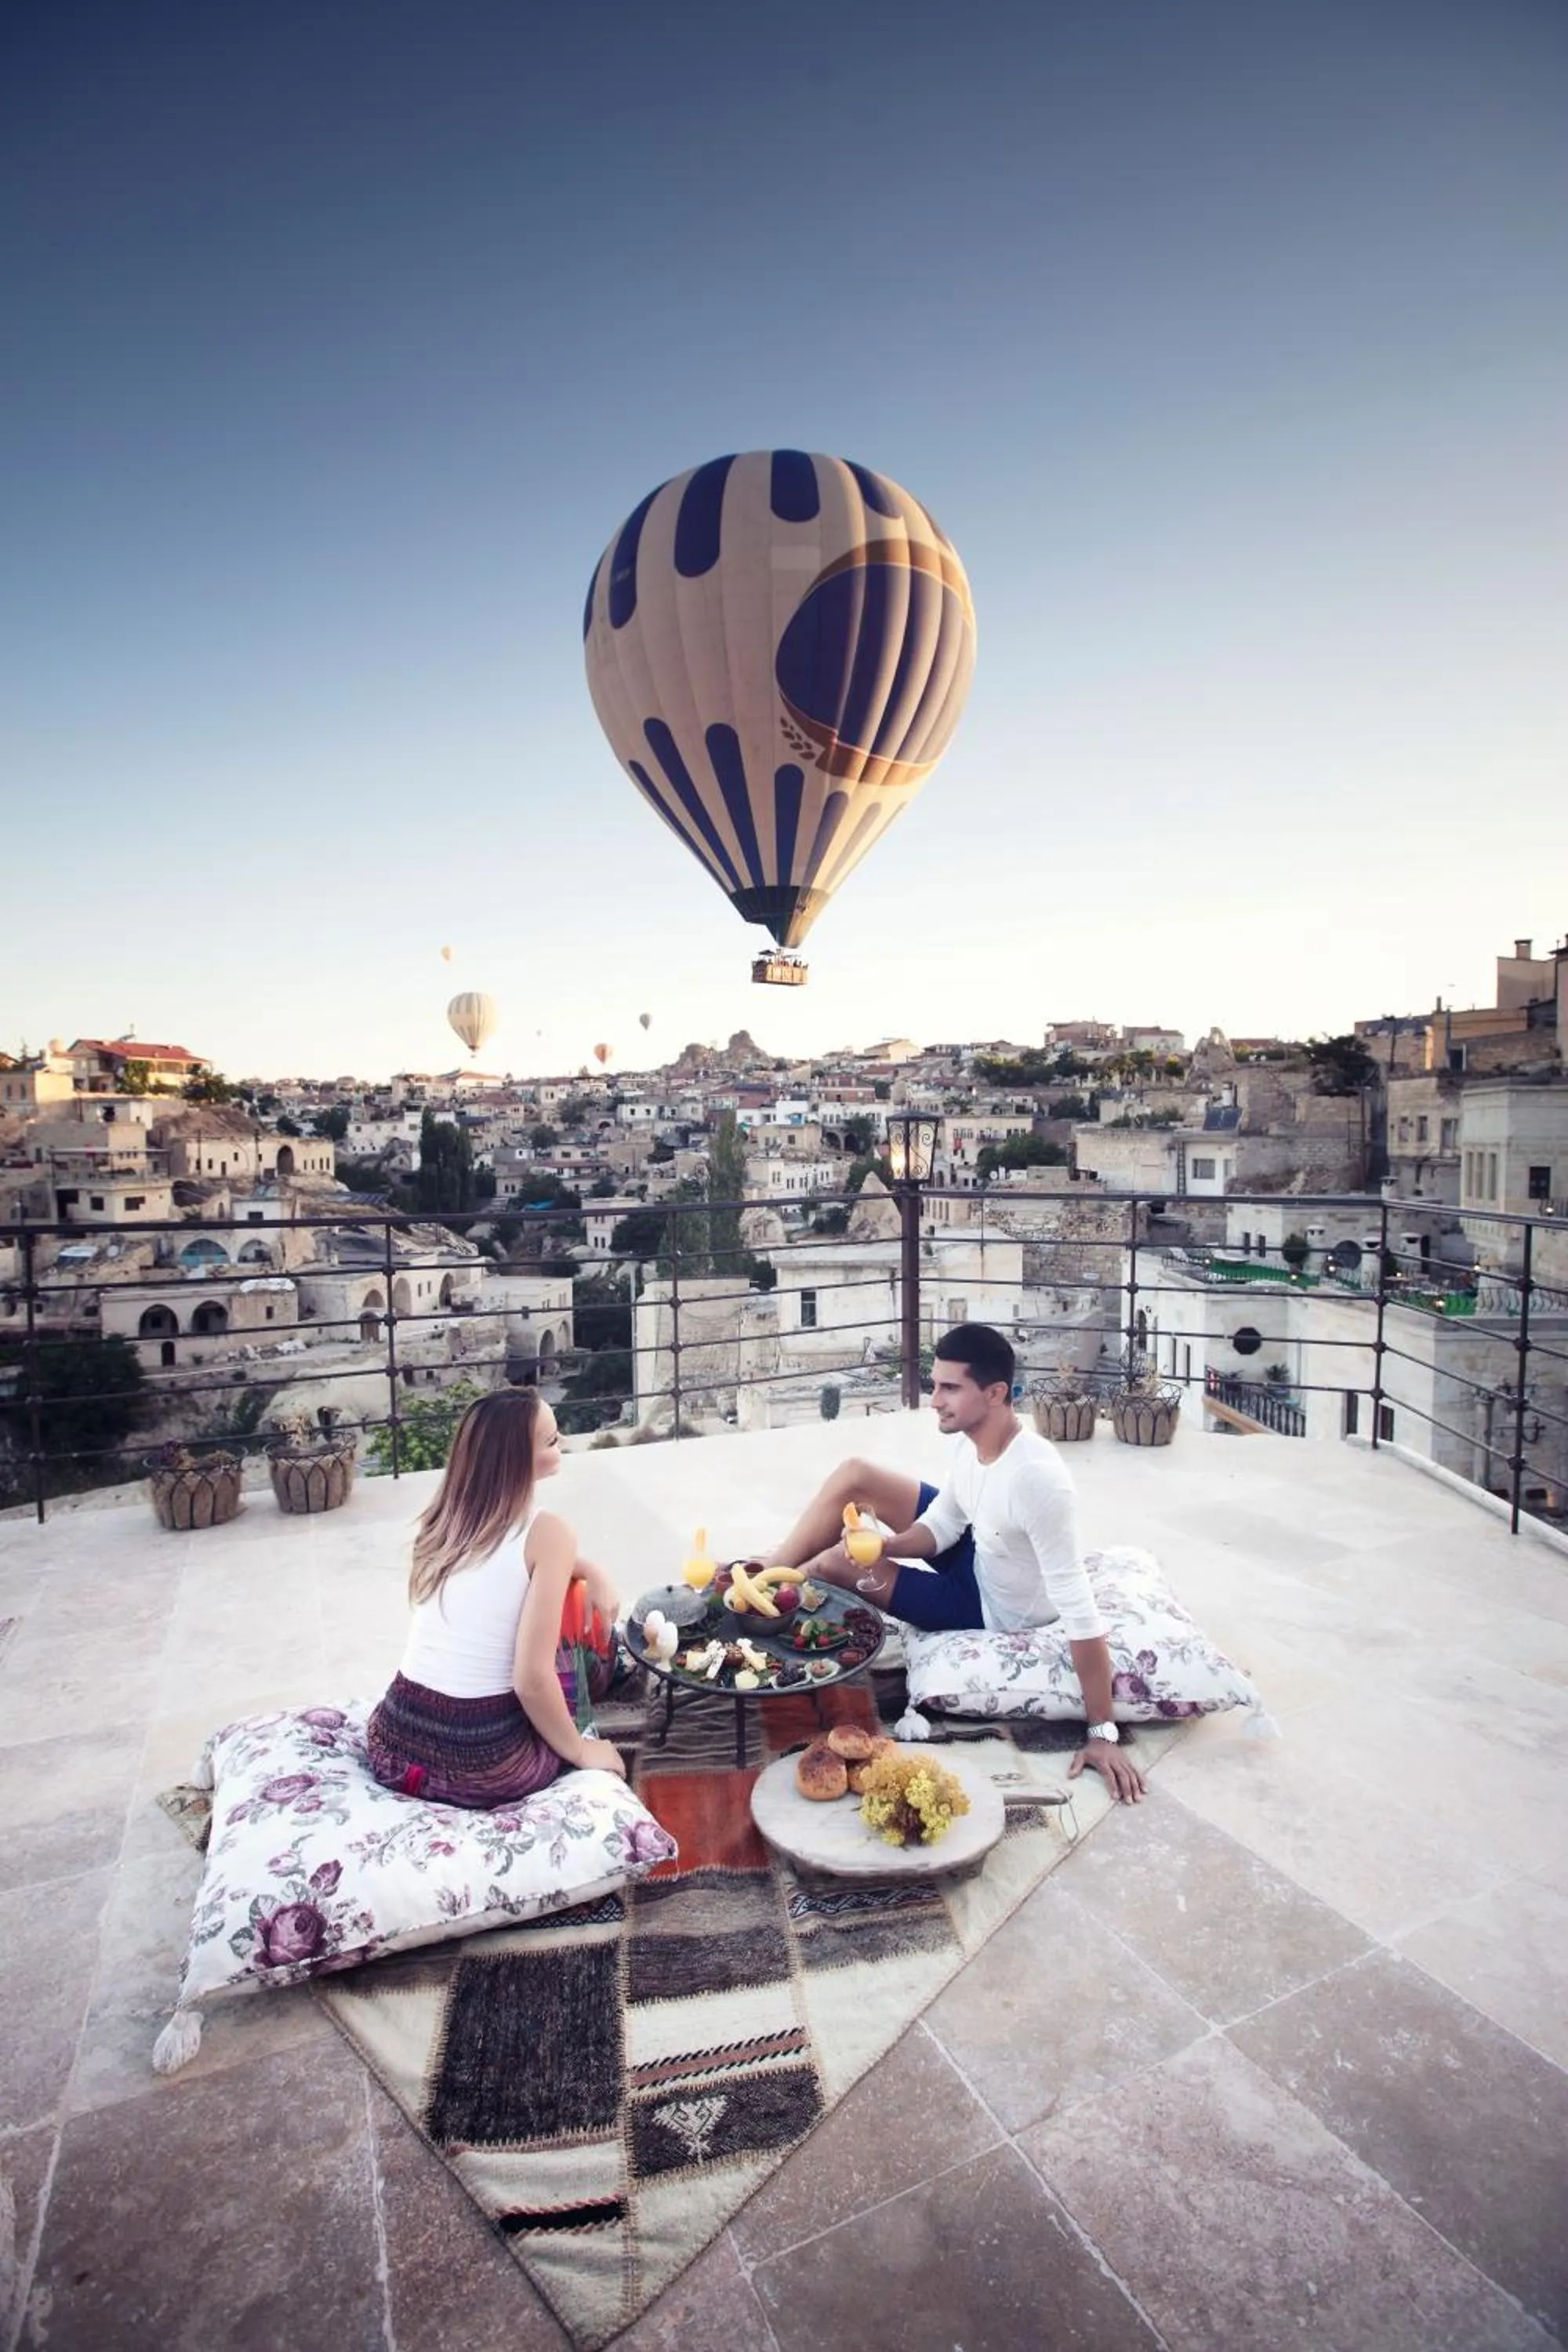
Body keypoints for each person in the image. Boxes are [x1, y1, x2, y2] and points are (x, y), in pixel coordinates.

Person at [768, 1323, 1145, 1802]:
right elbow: (943, 1525)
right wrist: (883, 1547)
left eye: (949, 1388)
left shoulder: (1038, 1481)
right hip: (979, 1549)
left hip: (989, 1605)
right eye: (935, 1384)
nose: (934, 1400)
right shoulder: (974, 1444)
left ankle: (761, 1602)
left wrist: (1102, 1734)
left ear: (995, 1393)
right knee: (855, 1476)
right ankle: (770, 1573)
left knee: (832, 1565)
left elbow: (1082, 1614)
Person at [366, 1388, 626, 1807]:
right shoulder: (549, 1533)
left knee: (551, 1603)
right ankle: (613, 1667)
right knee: (565, 1645)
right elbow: (530, 1680)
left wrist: (589, 1568)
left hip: (395, 1742)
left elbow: (507, 1564)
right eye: (551, 1440)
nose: (561, 1443)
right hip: (484, 1764)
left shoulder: (446, 1522)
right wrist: (580, 1750)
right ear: (518, 1460)